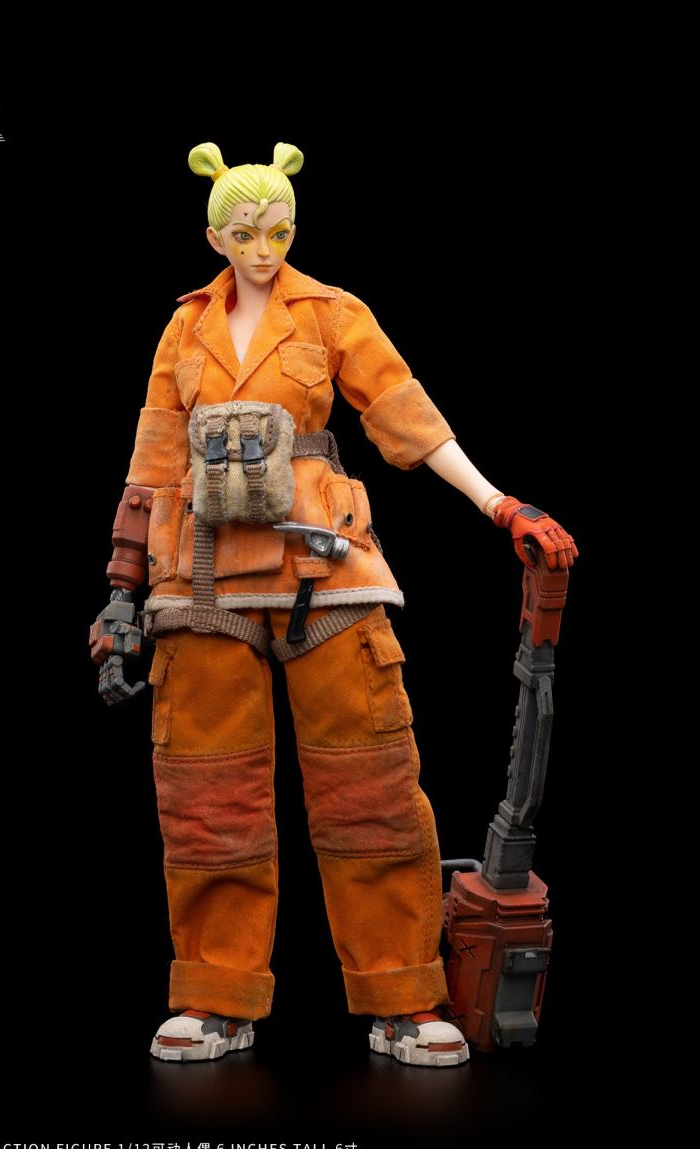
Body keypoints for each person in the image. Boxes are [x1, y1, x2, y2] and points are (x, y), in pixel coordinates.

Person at [90, 141, 577, 1068]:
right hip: (199, 581)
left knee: (373, 790)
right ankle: (216, 995)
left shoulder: (331, 313)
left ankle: (403, 997)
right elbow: (152, 463)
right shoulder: (184, 329)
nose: (262, 249)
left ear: (294, 228)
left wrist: (500, 504)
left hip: (328, 571)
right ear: (214, 235)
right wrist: (120, 591)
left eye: (278, 231)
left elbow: (405, 416)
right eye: (244, 233)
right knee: (208, 798)